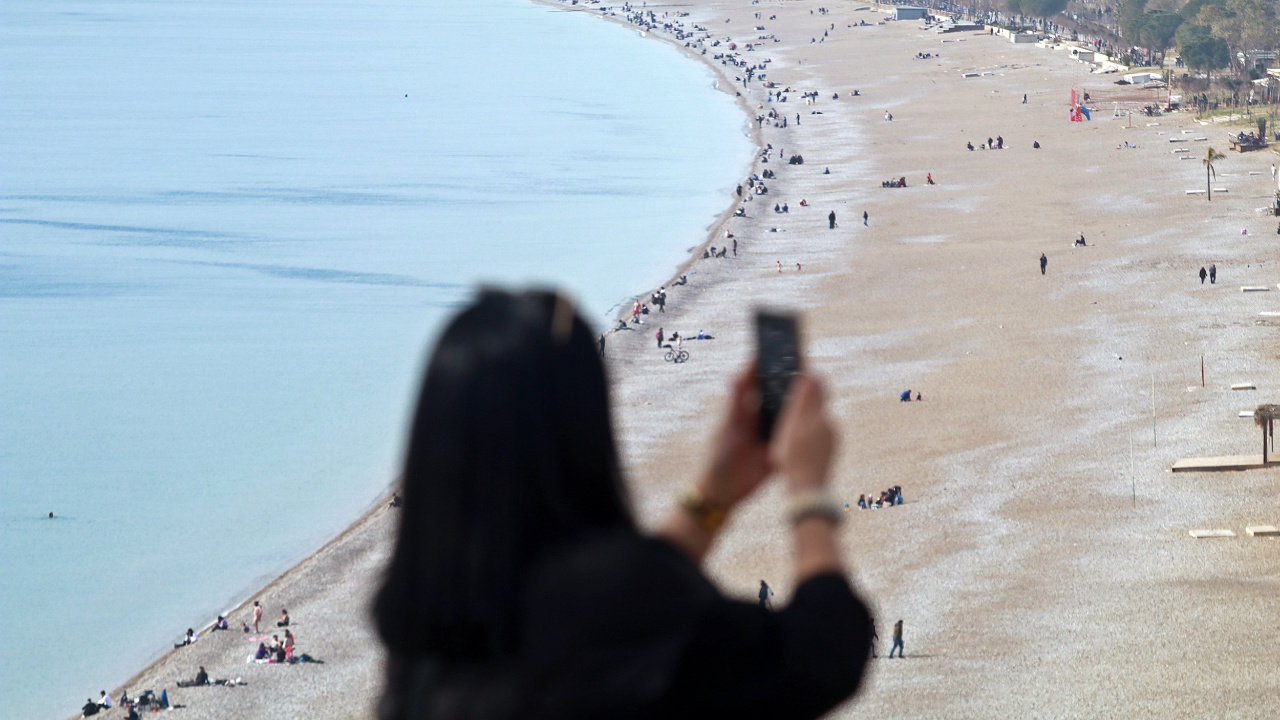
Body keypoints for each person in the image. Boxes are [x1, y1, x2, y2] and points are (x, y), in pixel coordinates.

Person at [373, 290, 872, 720]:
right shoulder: (612, 609)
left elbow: (627, 597)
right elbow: (826, 653)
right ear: (583, 430)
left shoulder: (419, 634)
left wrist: (714, 495)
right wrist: (808, 492)